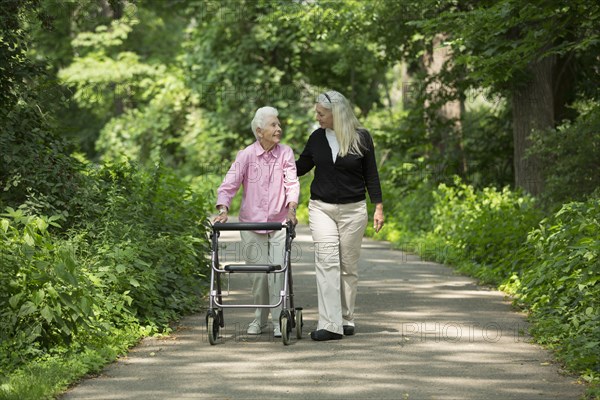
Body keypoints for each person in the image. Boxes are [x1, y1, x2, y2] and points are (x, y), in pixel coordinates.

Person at [296, 90, 384, 341]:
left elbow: (371, 175)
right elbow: (300, 167)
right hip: (321, 208)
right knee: (327, 262)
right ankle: (330, 323)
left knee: (348, 267)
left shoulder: (361, 138)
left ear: (337, 113)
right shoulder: (316, 138)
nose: (318, 117)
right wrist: (274, 160)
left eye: (321, 113)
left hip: (353, 211)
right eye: (317, 113)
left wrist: (378, 206)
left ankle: (346, 318)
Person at [214, 106, 299, 338]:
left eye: (279, 124)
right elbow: (228, 185)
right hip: (251, 225)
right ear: (260, 131)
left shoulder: (285, 153)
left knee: (277, 273)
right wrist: (223, 209)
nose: (279, 128)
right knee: (259, 277)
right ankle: (259, 318)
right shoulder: (246, 156)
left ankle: (277, 319)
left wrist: (292, 208)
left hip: (279, 223)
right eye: (274, 125)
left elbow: (292, 183)